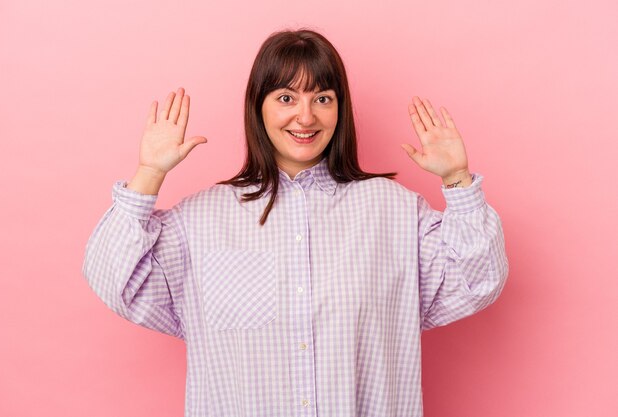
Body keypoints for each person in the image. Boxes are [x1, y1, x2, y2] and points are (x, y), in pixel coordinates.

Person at [82, 28, 508, 417]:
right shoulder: (199, 220)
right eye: (286, 98)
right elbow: (115, 282)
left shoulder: (393, 212)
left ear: (339, 110)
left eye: (322, 98)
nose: (306, 117)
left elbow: (479, 281)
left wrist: (457, 179)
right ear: (258, 108)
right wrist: (149, 174)